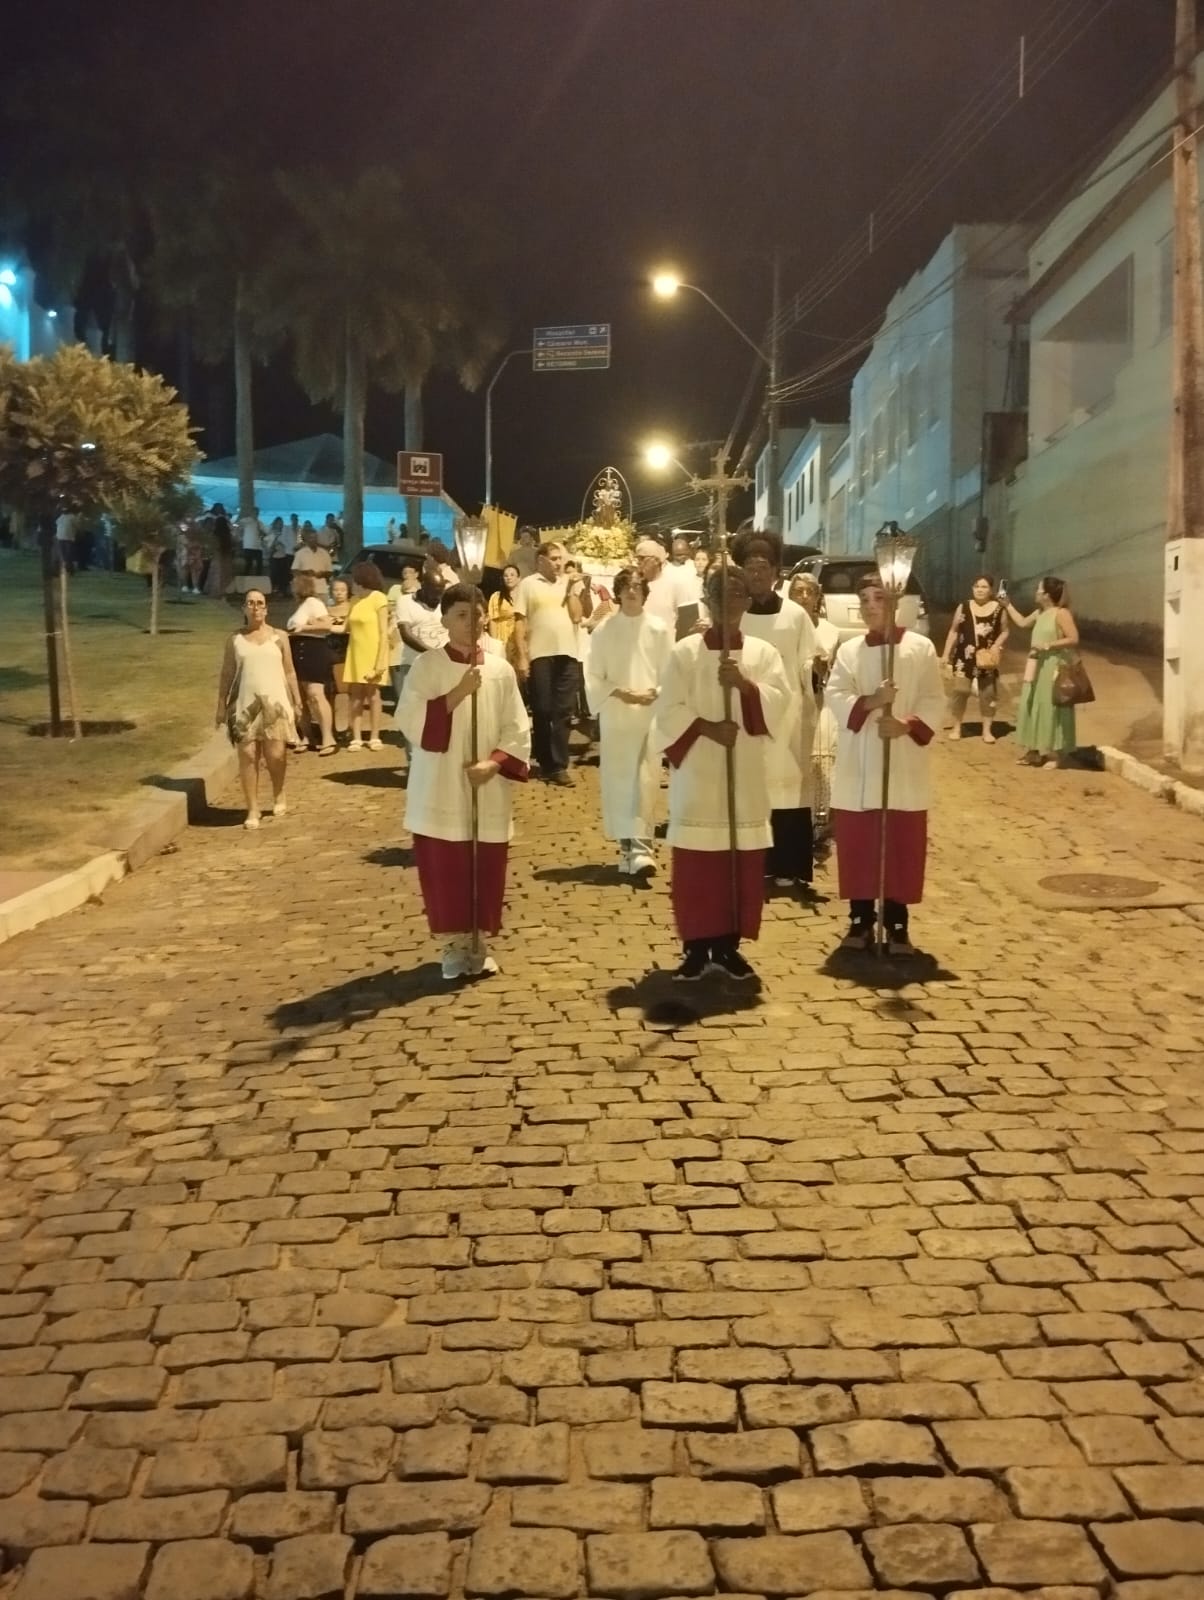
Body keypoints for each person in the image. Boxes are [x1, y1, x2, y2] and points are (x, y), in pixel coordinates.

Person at [653, 566, 791, 983]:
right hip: (699, 770)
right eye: (720, 594)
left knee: (737, 861)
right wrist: (708, 728)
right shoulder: (684, 653)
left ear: (748, 602)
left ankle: (728, 946)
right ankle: (696, 947)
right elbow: (668, 709)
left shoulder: (764, 654)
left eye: (737, 593)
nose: (729, 601)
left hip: (743, 770)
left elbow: (781, 701)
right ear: (707, 602)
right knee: (698, 865)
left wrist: (745, 686)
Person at [398, 582, 531, 981]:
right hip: (441, 785)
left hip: (485, 787)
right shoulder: (427, 667)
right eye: (461, 615)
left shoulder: (501, 669)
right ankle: (453, 948)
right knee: (449, 869)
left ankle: (478, 944)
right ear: (444, 620)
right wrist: (459, 691)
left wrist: (494, 763)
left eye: (476, 614)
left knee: (483, 868)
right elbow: (411, 722)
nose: (470, 622)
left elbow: (518, 728)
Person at [825, 573, 945, 955]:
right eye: (863, 600)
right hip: (860, 760)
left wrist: (906, 725)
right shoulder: (849, 651)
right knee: (860, 842)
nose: (870, 606)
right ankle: (860, 919)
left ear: (894, 603)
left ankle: (897, 923)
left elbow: (933, 698)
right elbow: (835, 694)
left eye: (878, 598)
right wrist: (873, 702)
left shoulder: (920, 648)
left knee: (899, 843)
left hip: (902, 760)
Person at [732, 526, 820, 893]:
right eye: (750, 566)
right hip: (745, 714)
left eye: (764, 566)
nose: (757, 573)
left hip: (787, 716)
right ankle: (753, 862)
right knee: (751, 788)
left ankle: (789, 863)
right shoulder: (734, 614)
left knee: (788, 790)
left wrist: (815, 669)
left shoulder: (796, 615)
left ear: (775, 572)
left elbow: (807, 660)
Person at [585, 567, 673, 878]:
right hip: (617, 714)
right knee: (620, 781)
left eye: (637, 586)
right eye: (627, 586)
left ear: (644, 592)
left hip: (648, 713)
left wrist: (656, 692)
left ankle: (643, 848)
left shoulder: (659, 629)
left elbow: (670, 671)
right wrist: (619, 692)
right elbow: (593, 674)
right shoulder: (604, 631)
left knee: (647, 779)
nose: (632, 591)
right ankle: (626, 848)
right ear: (619, 592)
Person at [215, 589, 303, 829]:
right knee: (248, 755)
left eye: (260, 603)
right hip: (243, 705)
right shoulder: (235, 640)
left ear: (266, 608)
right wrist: (221, 706)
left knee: (275, 754)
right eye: (250, 603)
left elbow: (290, 671)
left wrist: (296, 700)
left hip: (275, 704)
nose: (255, 607)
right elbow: (227, 674)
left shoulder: (279, 637)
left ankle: (278, 792)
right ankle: (252, 808)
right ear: (244, 608)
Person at [512, 542, 586, 786]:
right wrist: (522, 656)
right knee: (543, 710)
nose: (559, 563)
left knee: (564, 712)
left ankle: (558, 766)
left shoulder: (568, 583)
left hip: (568, 653)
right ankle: (545, 761)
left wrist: (573, 591)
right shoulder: (528, 585)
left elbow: (577, 616)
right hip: (540, 654)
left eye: (561, 559)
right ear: (541, 560)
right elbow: (520, 623)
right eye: (554, 558)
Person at [1007, 575, 1080, 768]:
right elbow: (1022, 623)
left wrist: (1048, 645)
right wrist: (1007, 605)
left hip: (1054, 666)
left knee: (1051, 707)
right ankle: (1035, 750)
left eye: (1039, 589)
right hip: (1036, 665)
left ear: (1047, 595)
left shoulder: (1061, 614)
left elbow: (1073, 638)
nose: (1036, 592)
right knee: (1032, 704)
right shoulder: (1040, 613)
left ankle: (1054, 754)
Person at [942, 576, 1008, 743]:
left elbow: (1005, 631)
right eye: (977, 586)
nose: (980, 589)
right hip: (963, 657)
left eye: (984, 587)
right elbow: (954, 631)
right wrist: (945, 654)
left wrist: (996, 645)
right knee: (960, 691)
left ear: (991, 590)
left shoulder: (999, 609)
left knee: (988, 694)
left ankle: (987, 731)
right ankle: (957, 727)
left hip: (987, 658)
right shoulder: (963, 607)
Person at [286, 573, 337, 755]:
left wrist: (303, 628)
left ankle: (328, 738)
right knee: (300, 697)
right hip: (296, 650)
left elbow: (327, 625)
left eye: (293, 583)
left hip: (312, 649)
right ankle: (307, 736)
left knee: (315, 693)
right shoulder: (300, 607)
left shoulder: (313, 603)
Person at [343, 562, 390, 751]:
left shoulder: (378, 598)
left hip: (373, 652)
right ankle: (356, 736)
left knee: (373, 695)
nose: (352, 584)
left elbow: (383, 631)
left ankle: (375, 735)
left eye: (355, 580)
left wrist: (380, 663)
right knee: (355, 696)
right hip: (355, 653)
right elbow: (344, 627)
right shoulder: (354, 601)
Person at [635, 538, 689, 637]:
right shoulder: (635, 585)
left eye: (642, 558)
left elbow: (687, 620)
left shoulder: (676, 583)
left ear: (656, 560)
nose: (638, 563)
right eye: (637, 559)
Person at [488, 563, 522, 664]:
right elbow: (493, 620)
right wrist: (495, 643)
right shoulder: (497, 597)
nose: (509, 578)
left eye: (512, 575)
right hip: (502, 638)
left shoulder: (524, 596)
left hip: (518, 637)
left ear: (519, 578)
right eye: (506, 576)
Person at [291, 524, 333, 594]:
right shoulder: (300, 553)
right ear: (306, 539)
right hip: (306, 591)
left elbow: (330, 572)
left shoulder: (324, 553)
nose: (313, 540)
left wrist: (323, 574)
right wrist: (305, 573)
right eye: (311, 538)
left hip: (322, 590)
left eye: (315, 537)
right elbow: (294, 571)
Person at [269, 515, 296, 598]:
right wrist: (275, 542)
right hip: (275, 557)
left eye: (282, 523)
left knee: (284, 576)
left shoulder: (285, 533)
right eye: (279, 523)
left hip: (284, 556)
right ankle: (274, 591)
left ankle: (283, 591)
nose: (280, 525)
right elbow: (269, 548)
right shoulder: (271, 534)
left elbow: (289, 543)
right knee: (275, 575)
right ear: (275, 524)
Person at [239, 506, 266, 577]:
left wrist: (262, 533)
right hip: (248, 545)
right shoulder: (246, 520)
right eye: (254, 512)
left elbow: (265, 532)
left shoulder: (260, 523)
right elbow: (239, 525)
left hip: (258, 546)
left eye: (257, 512)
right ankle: (245, 579)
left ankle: (258, 578)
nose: (256, 514)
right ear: (251, 513)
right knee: (248, 564)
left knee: (259, 564)